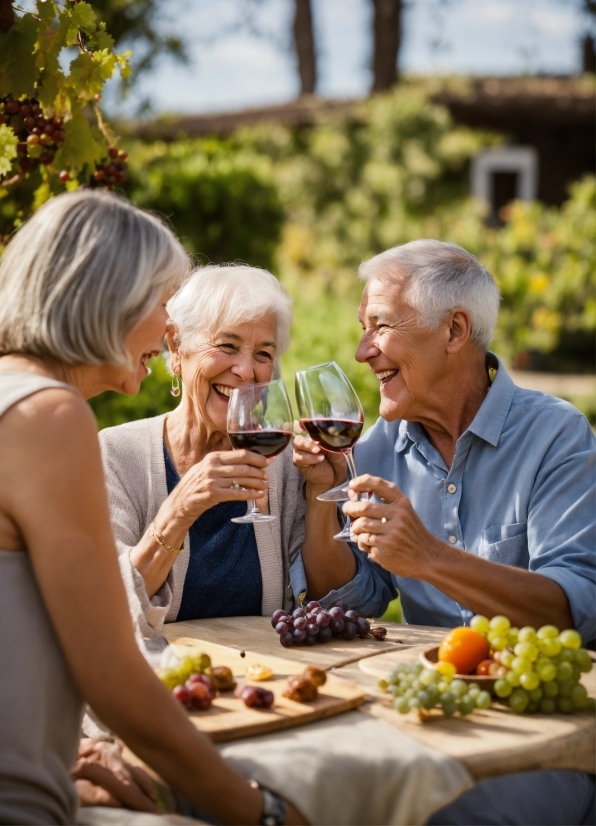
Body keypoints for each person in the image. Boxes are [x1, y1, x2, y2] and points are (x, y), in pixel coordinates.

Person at [0, 190, 303, 826]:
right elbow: (114, 678)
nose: (169, 328)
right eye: (163, 302)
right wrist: (261, 813)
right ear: (108, 299)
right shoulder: (50, 417)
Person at [293, 239, 595, 825]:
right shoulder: (378, 448)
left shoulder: (557, 437)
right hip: (429, 715)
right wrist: (316, 501)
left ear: (455, 330)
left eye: (379, 326)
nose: (361, 352)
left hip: (542, 735)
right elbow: (354, 597)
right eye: (363, 328)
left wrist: (428, 557)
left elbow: (574, 611)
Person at [99, 265, 307, 639]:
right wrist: (179, 510)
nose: (246, 371)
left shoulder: (285, 464)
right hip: (159, 684)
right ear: (177, 347)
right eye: (227, 346)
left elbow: (321, 603)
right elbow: (104, 610)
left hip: (266, 683)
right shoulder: (116, 454)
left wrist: (327, 495)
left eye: (263, 354)